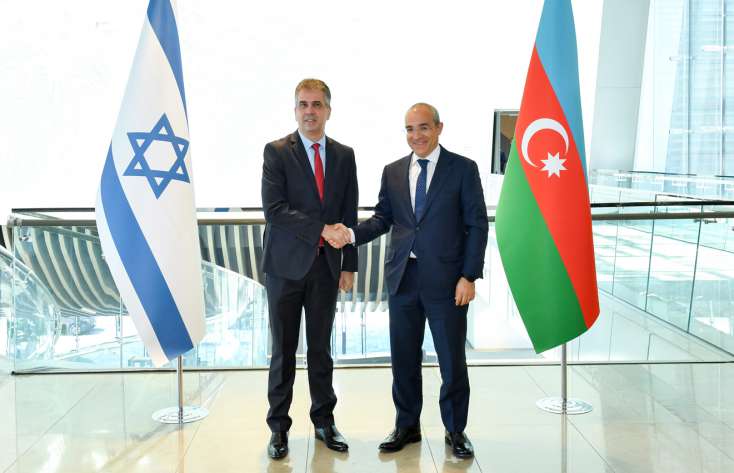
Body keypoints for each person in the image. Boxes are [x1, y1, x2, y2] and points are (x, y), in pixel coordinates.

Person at [333, 103, 488, 458]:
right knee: (403, 358)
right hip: (403, 277)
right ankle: (407, 426)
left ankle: (455, 430)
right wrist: (351, 235)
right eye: (409, 129)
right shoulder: (393, 171)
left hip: (448, 281)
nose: (416, 135)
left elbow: (477, 225)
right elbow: (382, 218)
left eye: (423, 127)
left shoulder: (463, 169)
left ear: (439, 128)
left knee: (451, 360)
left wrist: (468, 276)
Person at [261, 78, 357, 460]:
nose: (310, 111)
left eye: (317, 104)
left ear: (328, 110)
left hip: (325, 268)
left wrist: (349, 264)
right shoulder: (276, 152)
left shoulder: (344, 155)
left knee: (320, 350)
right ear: (295, 110)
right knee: (283, 352)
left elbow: (349, 212)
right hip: (284, 269)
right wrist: (321, 229)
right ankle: (278, 428)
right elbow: (275, 211)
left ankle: (324, 422)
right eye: (303, 104)